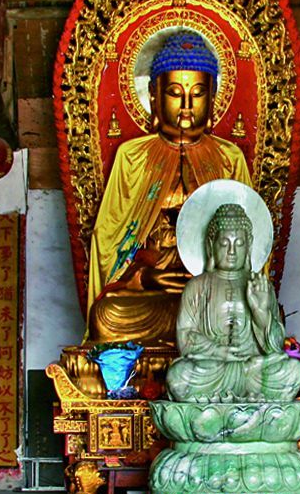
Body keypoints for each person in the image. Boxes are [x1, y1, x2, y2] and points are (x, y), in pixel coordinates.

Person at [86, 30, 251, 345]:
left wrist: (217, 279)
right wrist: (145, 278)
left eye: (198, 92)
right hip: (153, 294)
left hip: (212, 296)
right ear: (153, 95)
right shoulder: (132, 157)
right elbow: (108, 242)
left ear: (213, 96)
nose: (187, 104)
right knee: (107, 315)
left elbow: (249, 241)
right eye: (175, 92)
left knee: (251, 316)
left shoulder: (229, 159)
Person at [166, 202, 300, 403]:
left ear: (249, 246)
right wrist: (216, 351)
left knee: (293, 371)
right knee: (178, 376)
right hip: (213, 371)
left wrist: (261, 313)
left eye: (239, 244)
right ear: (211, 245)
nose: (232, 251)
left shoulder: (260, 285)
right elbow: (185, 335)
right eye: (224, 243)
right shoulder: (196, 286)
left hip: (254, 370)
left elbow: (274, 347)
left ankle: (214, 406)